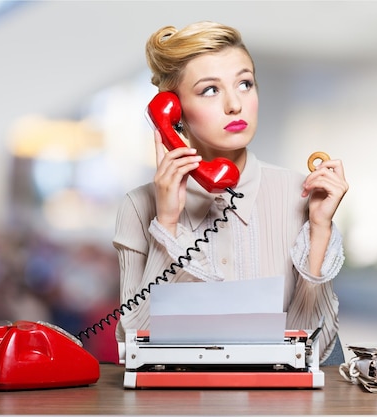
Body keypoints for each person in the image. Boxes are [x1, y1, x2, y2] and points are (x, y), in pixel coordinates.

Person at [113, 21, 349, 364]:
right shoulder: (139, 206)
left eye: (245, 83)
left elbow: (312, 350)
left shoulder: (302, 193)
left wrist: (319, 229)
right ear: (173, 110)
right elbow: (134, 345)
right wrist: (168, 222)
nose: (234, 105)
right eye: (210, 90)